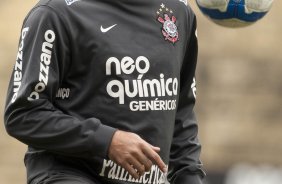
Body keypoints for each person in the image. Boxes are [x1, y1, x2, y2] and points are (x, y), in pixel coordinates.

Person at [4, 0, 205, 183]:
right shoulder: (55, 14)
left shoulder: (179, 11)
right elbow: (22, 114)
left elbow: (181, 112)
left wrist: (189, 174)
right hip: (70, 173)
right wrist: (106, 140)